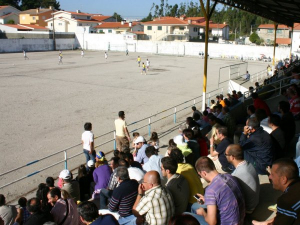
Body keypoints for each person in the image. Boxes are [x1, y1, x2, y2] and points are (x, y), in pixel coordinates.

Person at [189, 157, 245, 225]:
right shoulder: (229, 176)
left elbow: (212, 222)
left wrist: (203, 213)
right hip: (241, 219)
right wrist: (207, 199)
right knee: (195, 205)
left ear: (203, 173)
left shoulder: (210, 190)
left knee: (187, 214)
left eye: (200, 175)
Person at [252, 158, 300, 225]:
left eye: (272, 174)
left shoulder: (286, 201)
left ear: (283, 179)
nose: (269, 177)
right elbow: (284, 216)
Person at [225, 144, 260, 214]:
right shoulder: (248, 163)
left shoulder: (237, 175)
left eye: (226, 154)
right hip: (255, 201)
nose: (225, 156)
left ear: (232, 157)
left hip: (248, 208)